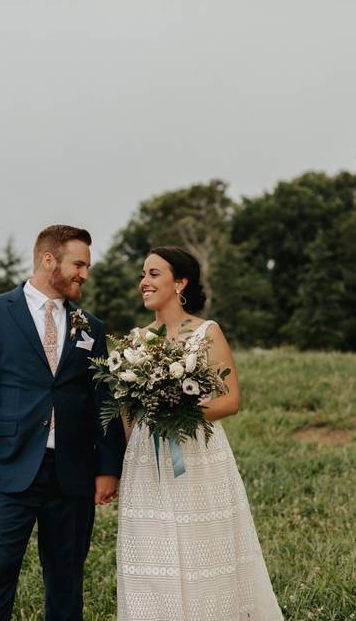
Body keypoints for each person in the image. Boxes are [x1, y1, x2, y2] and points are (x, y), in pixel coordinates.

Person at [0, 224, 126, 621]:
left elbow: (104, 400)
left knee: (66, 580)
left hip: (73, 474)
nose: (84, 273)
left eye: (87, 266)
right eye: (78, 264)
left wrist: (107, 468)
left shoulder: (91, 326)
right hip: (7, 470)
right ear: (49, 260)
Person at [116, 246, 283, 621]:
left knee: (203, 548)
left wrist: (179, 411)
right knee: (150, 555)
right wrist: (132, 454)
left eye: (154, 274)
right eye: (142, 274)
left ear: (180, 282)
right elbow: (128, 409)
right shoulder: (138, 340)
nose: (144, 282)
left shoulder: (207, 332)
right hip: (146, 460)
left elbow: (231, 400)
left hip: (197, 456)